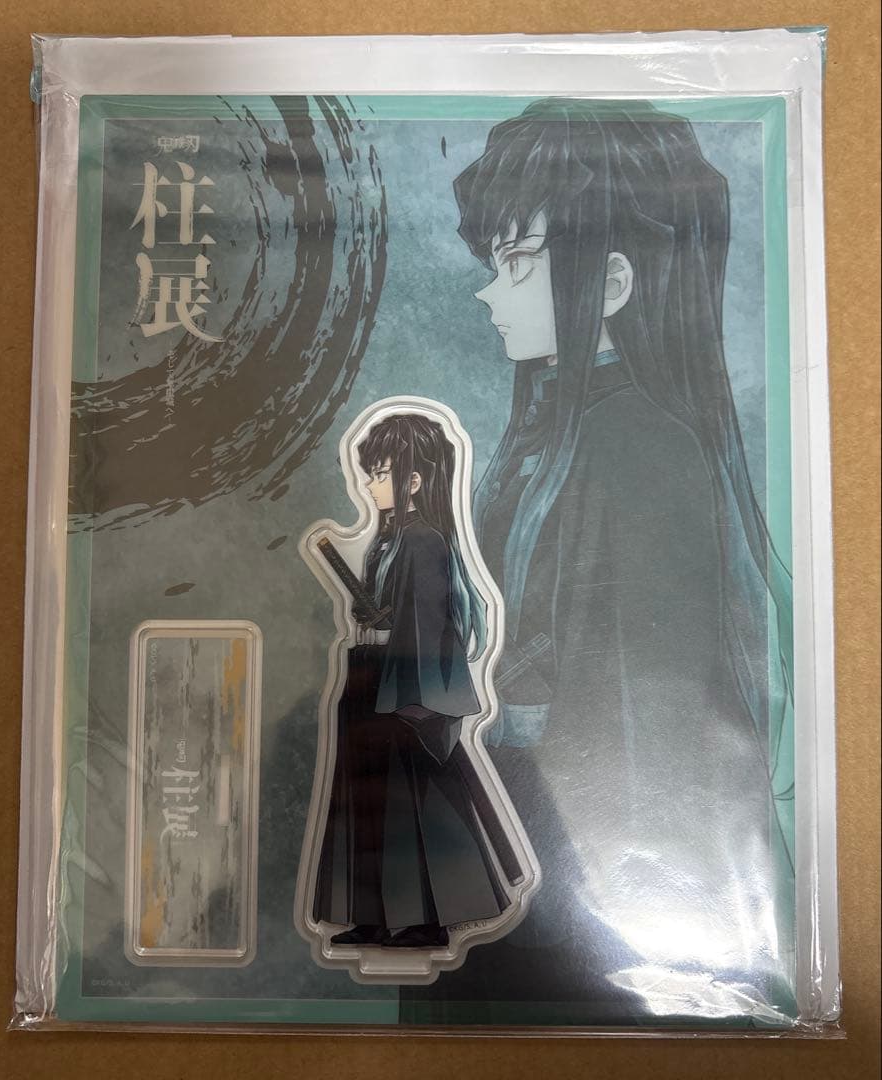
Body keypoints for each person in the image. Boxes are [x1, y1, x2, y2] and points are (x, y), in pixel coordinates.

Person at [403, 99, 795, 1020]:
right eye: (494, 260)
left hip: (575, 875)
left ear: (612, 279)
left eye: (517, 261)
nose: (488, 292)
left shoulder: (640, 447)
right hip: (523, 845)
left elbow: (657, 718)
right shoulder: (568, 434)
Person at [311, 412, 514, 950]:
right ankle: (372, 916)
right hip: (373, 681)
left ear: (415, 480)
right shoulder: (391, 540)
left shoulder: (424, 540)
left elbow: (427, 625)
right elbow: (392, 612)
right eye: (370, 473)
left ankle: (427, 920)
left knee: (412, 809)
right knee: (367, 804)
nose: (369, 484)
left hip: (406, 689)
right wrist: (371, 615)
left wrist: (419, 704)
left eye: (380, 473)